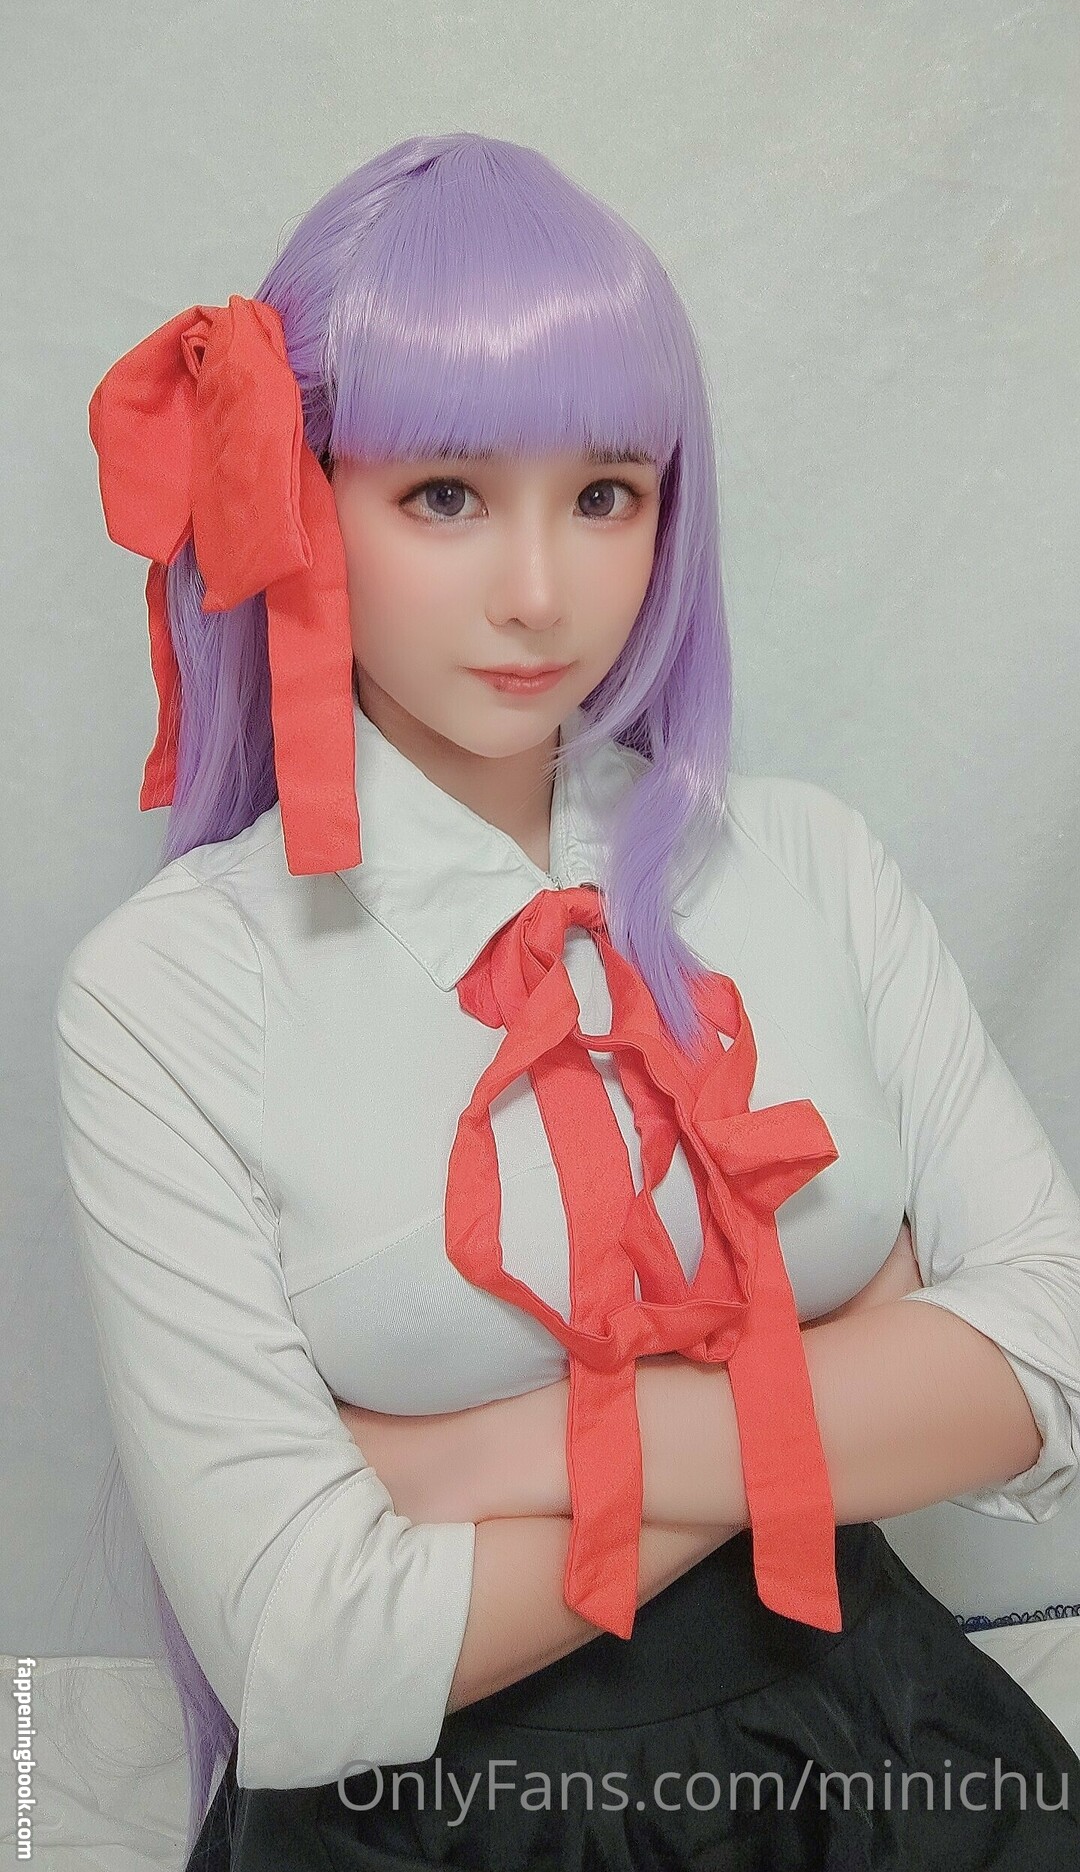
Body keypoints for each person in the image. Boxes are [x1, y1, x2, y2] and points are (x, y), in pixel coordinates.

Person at [53, 132, 1080, 1870]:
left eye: (605, 494)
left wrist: (493, 1453)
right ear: (301, 498)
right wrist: (852, 1377)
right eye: (445, 496)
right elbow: (303, 1656)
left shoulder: (811, 862)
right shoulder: (167, 991)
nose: (541, 594)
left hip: (889, 1754)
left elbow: (1052, 1361)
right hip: (435, 1821)